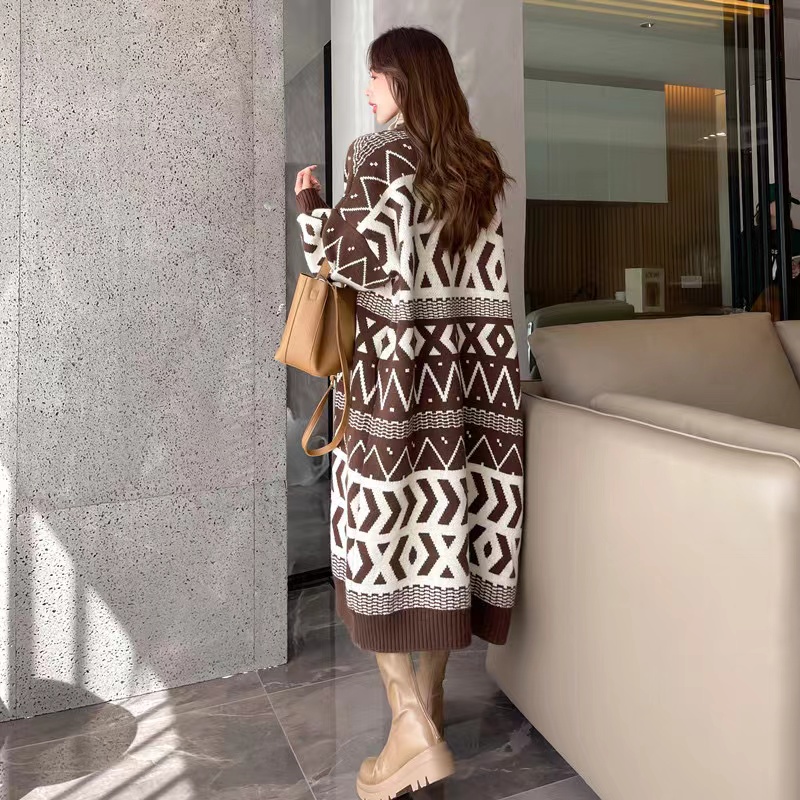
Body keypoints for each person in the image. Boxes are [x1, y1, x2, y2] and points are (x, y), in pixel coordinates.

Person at [293, 26, 523, 800]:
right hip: (473, 387)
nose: (367, 90)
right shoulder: (476, 165)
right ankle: (428, 707)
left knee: (375, 545)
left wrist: (310, 207)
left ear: (405, 80)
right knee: (446, 539)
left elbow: (346, 263)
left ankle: (411, 726)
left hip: (396, 387)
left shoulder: (376, 156)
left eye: (375, 76)